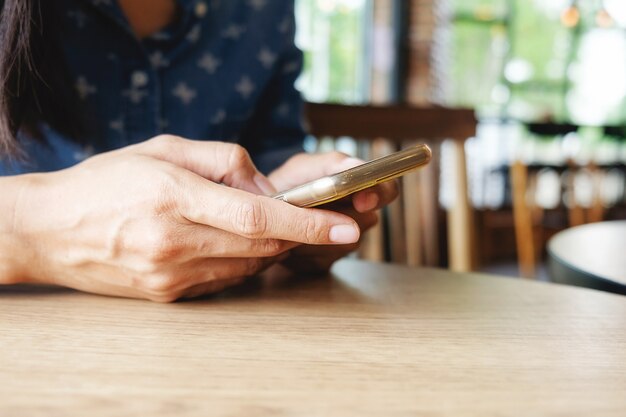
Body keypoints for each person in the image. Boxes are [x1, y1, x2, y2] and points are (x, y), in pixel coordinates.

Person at [0, 0, 396, 302]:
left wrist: (283, 220)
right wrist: (31, 233)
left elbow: (267, 153)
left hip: (220, 342)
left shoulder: (264, 10)